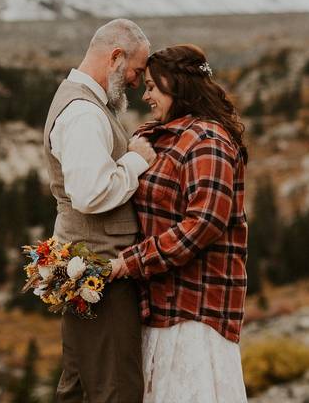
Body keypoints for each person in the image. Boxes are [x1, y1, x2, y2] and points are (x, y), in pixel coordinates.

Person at [110, 43, 250, 403]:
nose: (146, 96)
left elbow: (202, 224)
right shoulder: (169, 134)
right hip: (161, 306)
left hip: (195, 312)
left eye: (153, 87)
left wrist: (131, 262)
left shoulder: (208, 141)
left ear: (177, 86)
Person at [44, 18, 157, 403]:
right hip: (103, 273)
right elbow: (90, 194)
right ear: (115, 57)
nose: (138, 82)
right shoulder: (84, 113)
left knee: (80, 387)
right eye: (137, 70)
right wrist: (136, 161)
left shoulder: (84, 104)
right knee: (116, 390)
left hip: (89, 267)